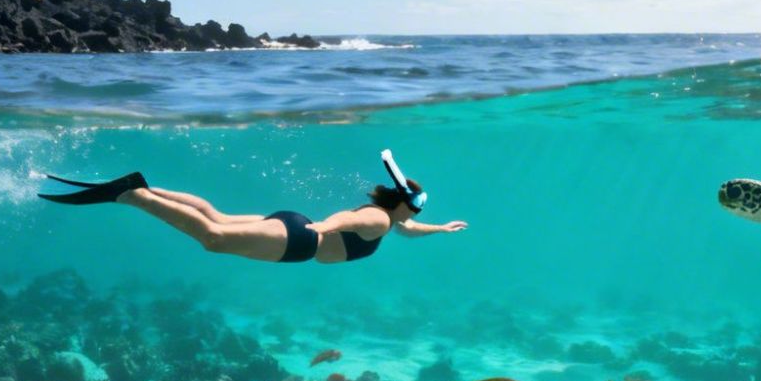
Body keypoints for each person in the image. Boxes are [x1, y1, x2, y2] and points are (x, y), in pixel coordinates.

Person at [39, 150, 466, 264]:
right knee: (214, 238)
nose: (419, 216)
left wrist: (442, 229)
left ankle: (143, 185)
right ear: (404, 203)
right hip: (301, 241)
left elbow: (407, 232)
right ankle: (133, 196)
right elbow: (350, 220)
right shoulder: (376, 218)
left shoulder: (392, 221)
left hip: (294, 227)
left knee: (219, 216)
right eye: (420, 208)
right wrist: (324, 226)